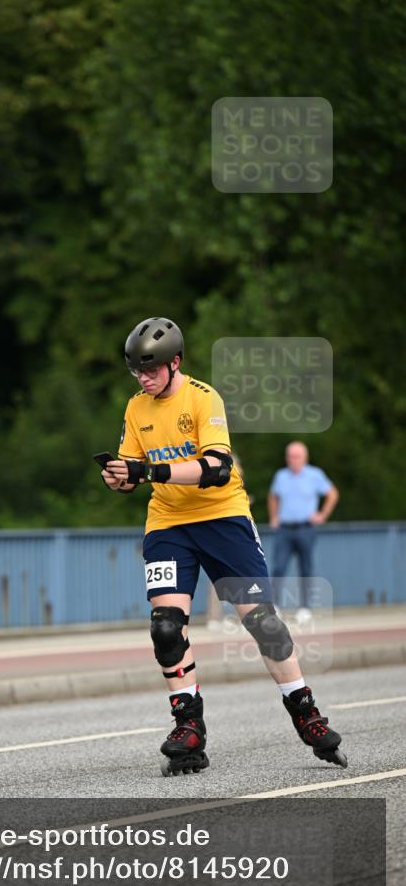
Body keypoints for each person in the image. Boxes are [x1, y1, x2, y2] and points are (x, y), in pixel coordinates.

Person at [100, 317, 346, 774]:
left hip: (222, 518)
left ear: (175, 363)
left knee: (264, 625)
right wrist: (118, 476)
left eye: (151, 369)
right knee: (166, 629)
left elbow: (215, 466)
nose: (144, 378)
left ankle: (306, 713)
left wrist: (147, 473)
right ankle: (188, 726)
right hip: (169, 522)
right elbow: (133, 470)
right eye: (136, 370)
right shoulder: (137, 409)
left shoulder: (203, 397)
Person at [268, 442, 339, 619]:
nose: (292, 460)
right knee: (278, 567)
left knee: (305, 567)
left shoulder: (315, 475)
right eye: (290, 456)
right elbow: (273, 496)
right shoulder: (281, 475)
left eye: (296, 456)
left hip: (306, 528)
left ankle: (305, 607)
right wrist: (274, 517)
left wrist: (323, 514)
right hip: (284, 529)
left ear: (304, 457)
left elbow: (332, 494)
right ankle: (274, 605)